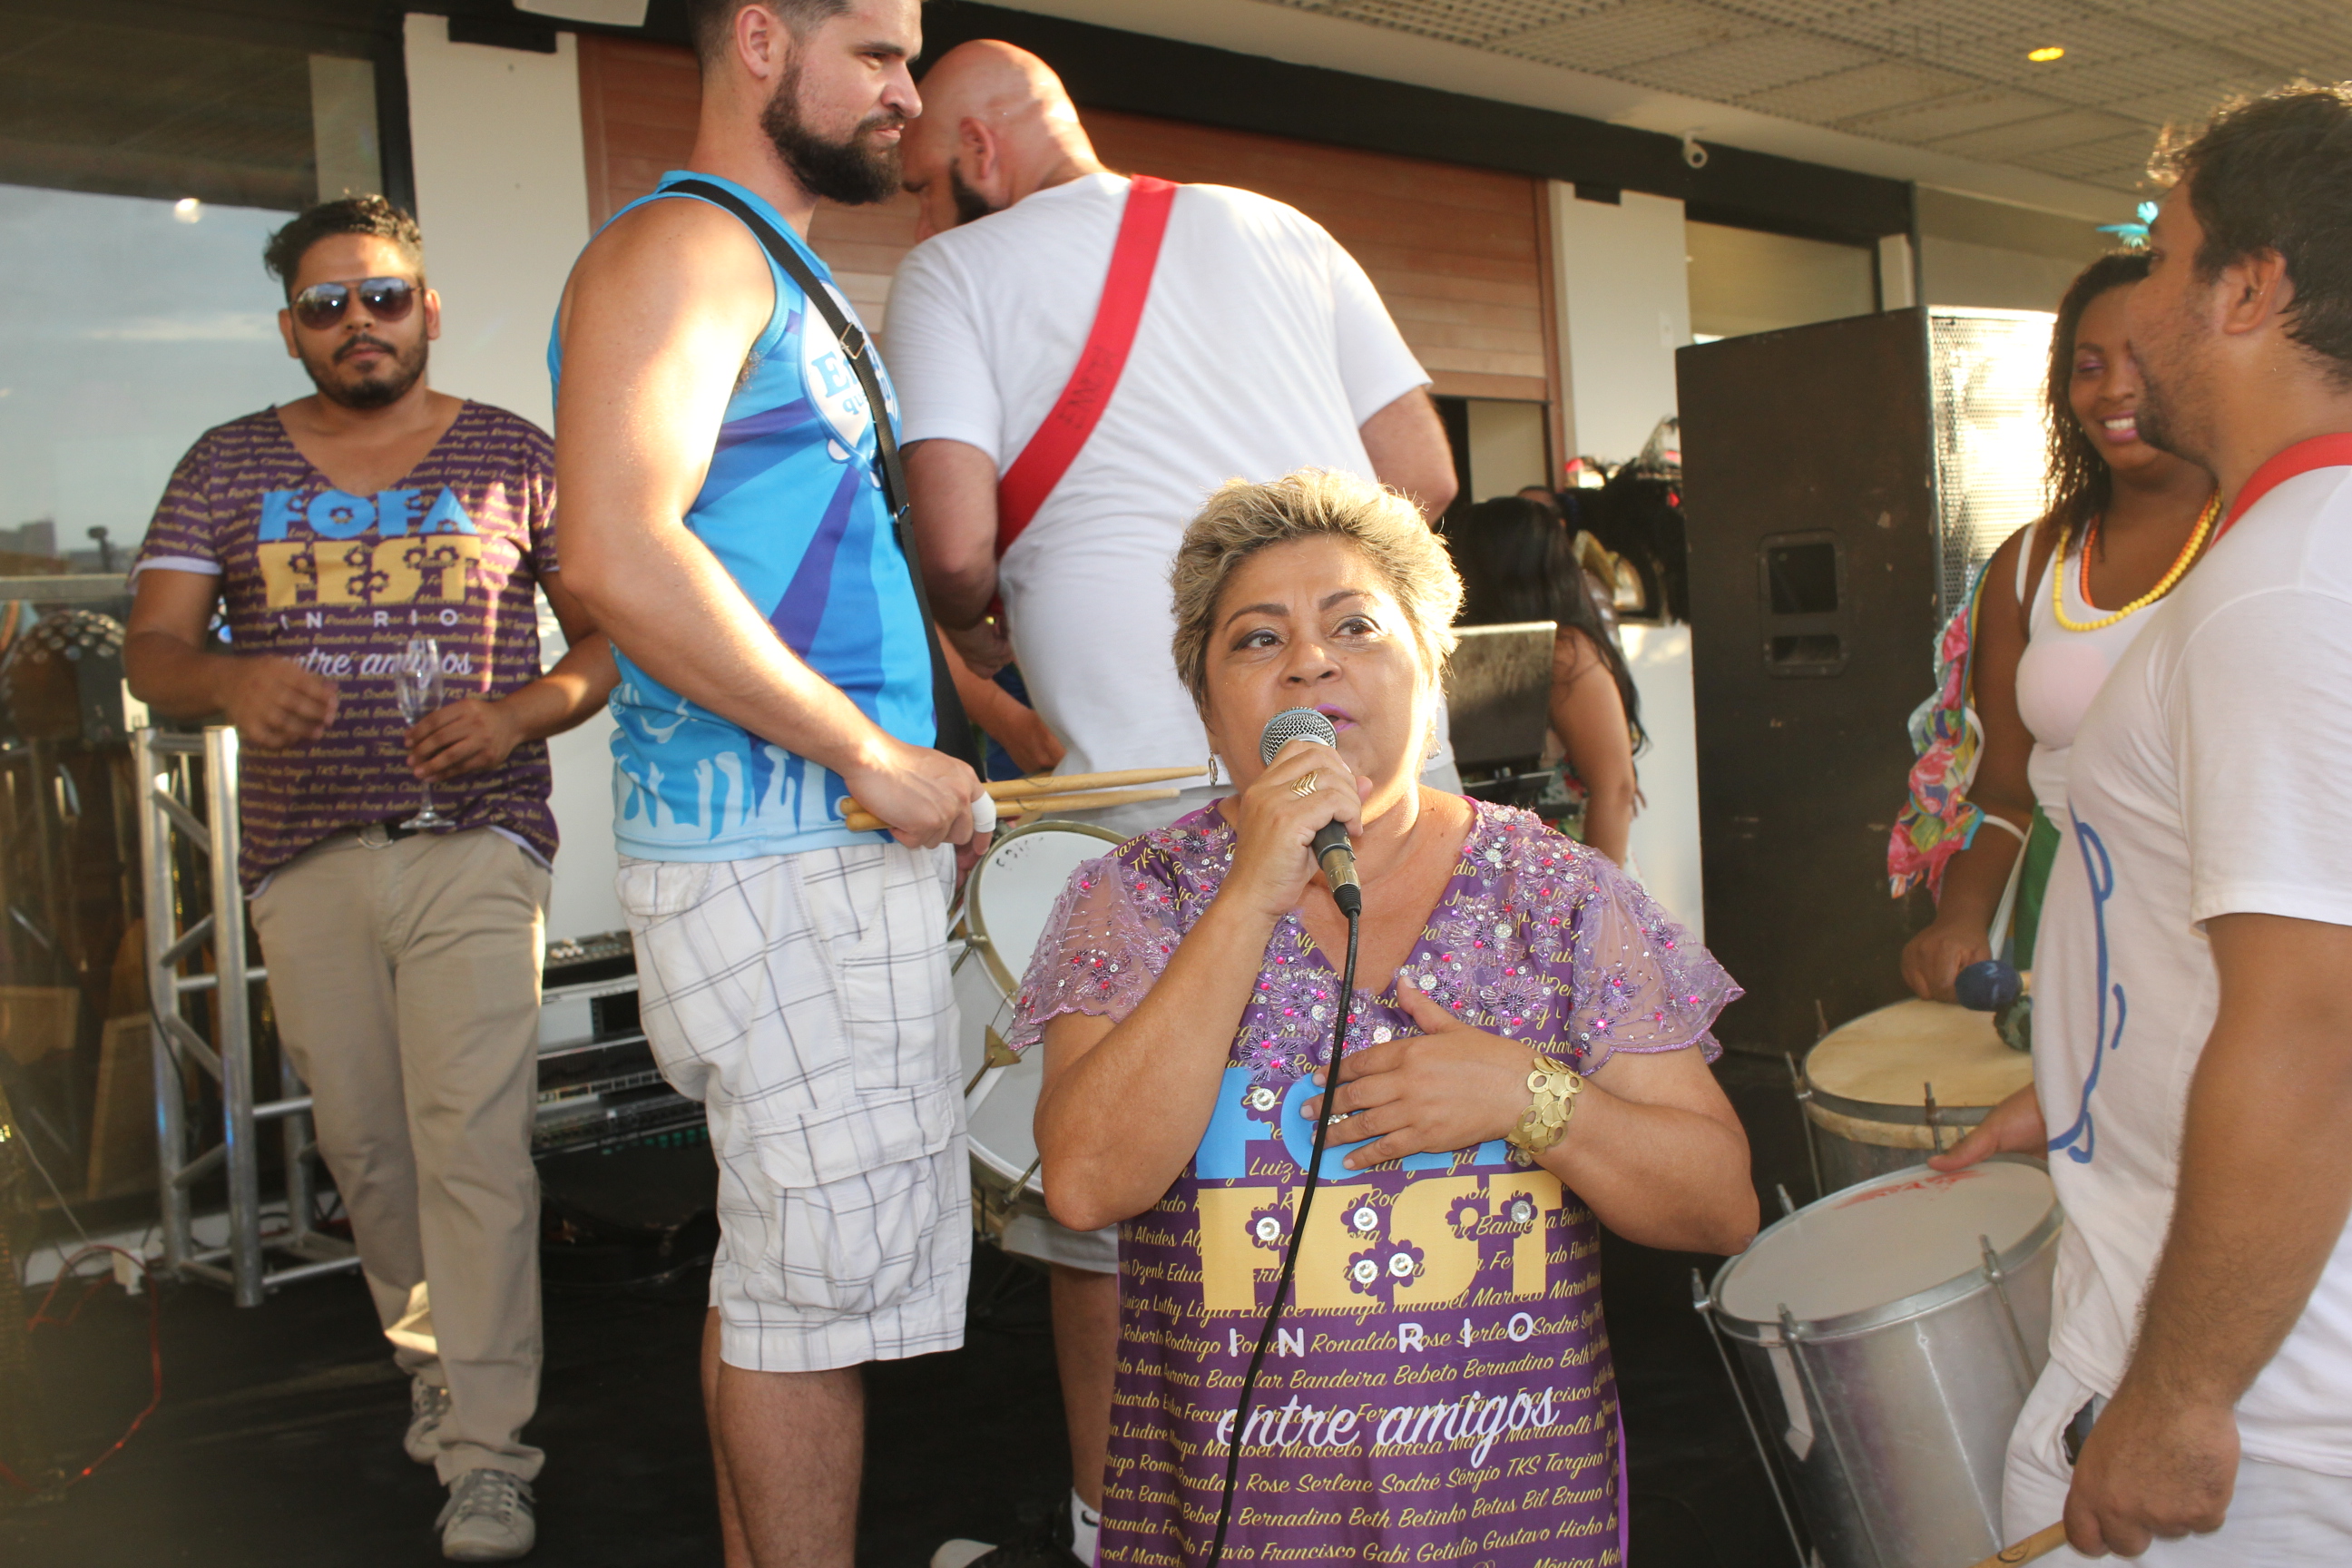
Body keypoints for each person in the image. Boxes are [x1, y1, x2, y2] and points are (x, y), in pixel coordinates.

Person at [885, 46, 1459, 1563]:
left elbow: (954, 546)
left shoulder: (952, 270)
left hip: (1139, 794)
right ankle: (1400, 1499)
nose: (921, 207)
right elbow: (1422, 474)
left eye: (924, 176)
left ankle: (1117, 1525)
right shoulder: (1282, 225)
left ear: (981, 149)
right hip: (1374, 773)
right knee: (1389, 1123)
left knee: (1108, 1181)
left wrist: (1002, 620)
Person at [1009, 469, 1753, 1566]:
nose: (1310, 660)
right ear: (1210, 711)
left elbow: (1720, 1207)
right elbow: (1085, 1183)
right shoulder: (1138, 897)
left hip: (1515, 1528)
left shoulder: (1560, 896)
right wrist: (1248, 896)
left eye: (1354, 625)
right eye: (1258, 640)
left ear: (1431, 670)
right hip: (1242, 1536)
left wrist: (1531, 1097)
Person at [545, 4, 985, 1565]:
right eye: (875, 54)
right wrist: (868, 753)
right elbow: (615, 549)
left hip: (805, 855)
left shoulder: (763, 262)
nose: (906, 93)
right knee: (813, 1311)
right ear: (756, 39)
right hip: (787, 858)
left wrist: (960, 727)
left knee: (782, 1286)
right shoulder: (687, 250)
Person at [122, 195, 618, 1561]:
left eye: (384, 295)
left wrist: (518, 717)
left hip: (477, 841)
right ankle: (437, 1373)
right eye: (327, 304)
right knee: (372, 1154)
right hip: (304, 856)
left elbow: (604, 641)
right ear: (290, 329)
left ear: (428, 309)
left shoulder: (513, 453)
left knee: (472, 1145)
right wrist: (229, 680)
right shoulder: (224, 463)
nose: (360, 322)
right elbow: (153, 651)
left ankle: (490, 1455)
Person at [1930, 85, 2352, 1562]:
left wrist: (2179, 1397)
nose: (2145, 291)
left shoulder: (2287, 587)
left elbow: (2312, 1026)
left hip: (2260, 1415)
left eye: (2166, 256)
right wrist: (2088, 1086)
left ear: (2249, 290)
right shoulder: (2287, 560)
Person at [1898, 252, 2218, 1007]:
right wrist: (1961, 918)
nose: (2115, 388)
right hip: (2068, 918)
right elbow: (2007, 791)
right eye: (2090, 366)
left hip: (2219, 923)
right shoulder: (2031, 562)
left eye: (2143, 357)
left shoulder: (2265, 533)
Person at [1446, 496, 1645, 865]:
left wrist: (1598, 893)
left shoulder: (1564, 652)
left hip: (1568, 870)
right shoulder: (1475, 652)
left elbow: (1615, 789)